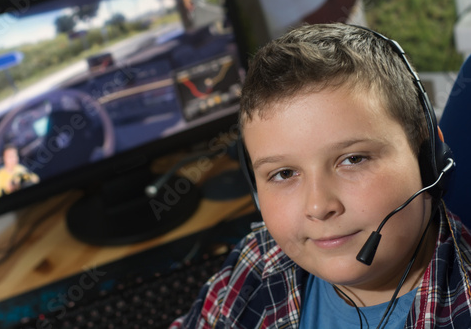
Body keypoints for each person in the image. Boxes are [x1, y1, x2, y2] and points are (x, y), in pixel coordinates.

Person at [169, 23, 471, 328]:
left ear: (429, 158)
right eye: (284, 173)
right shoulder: (260, 262)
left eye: (352, 159)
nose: (318, 206)